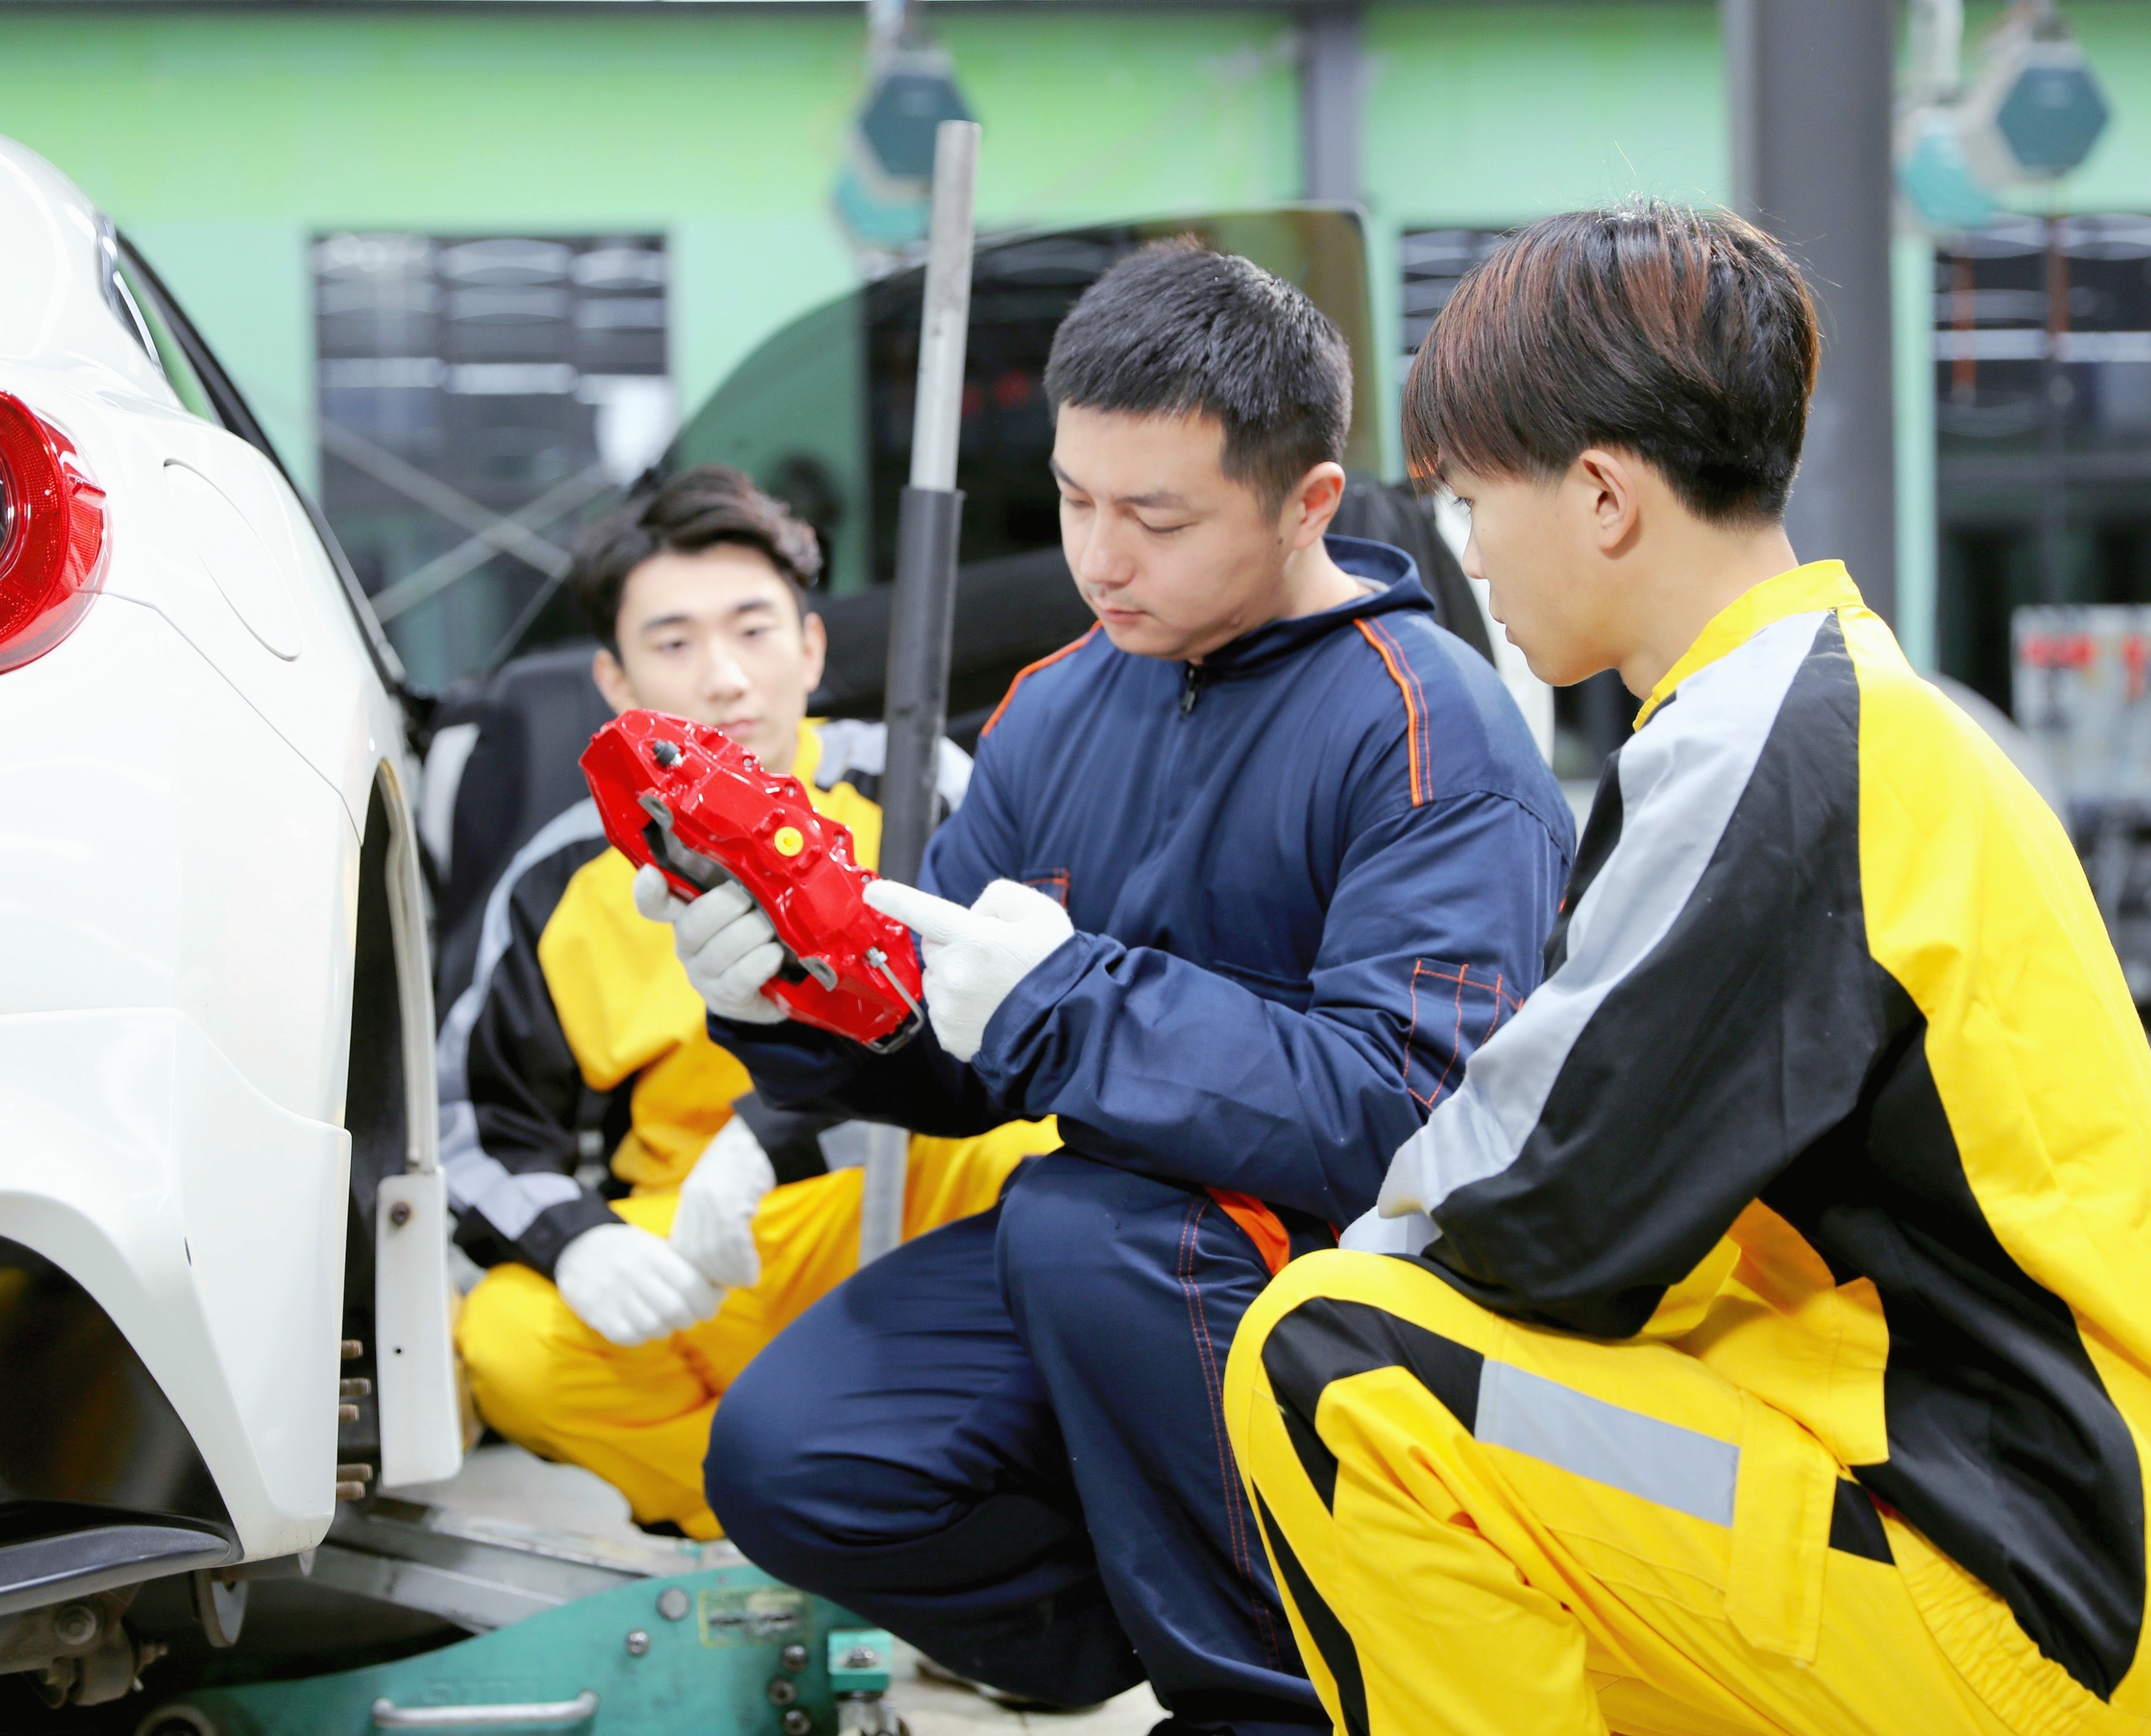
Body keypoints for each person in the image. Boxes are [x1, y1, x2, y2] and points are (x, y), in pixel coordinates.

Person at [1224, 203, 2151, 1736]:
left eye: (1470, 500)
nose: (1464, 554)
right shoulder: (1843, 711)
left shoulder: (1770, 746)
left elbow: (1533, 1211)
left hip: (2015, 1601)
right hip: (2087, 1563)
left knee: (1332, 1359)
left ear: (1598, 496)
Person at [640, 242, 1574, 1731]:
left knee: (1091, 1225)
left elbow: (1410, 1117)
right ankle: (1171, 1621)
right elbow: (944, 1045)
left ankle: (1294, 1695)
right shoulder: (1060, 703)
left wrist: (1066, 1004)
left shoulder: (1425, 731)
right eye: (1075, 502)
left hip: (1355, 1285)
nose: (1100, 559)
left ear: (1304, 503)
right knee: (792, 1459)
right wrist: (789, 1004)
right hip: (1111, 1263)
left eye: (1154, 517)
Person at [439, 465, 1057, 1540]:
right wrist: (579, 1242)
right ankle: (782, 1527)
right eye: (674, 645)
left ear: (812, 648)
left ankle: (983, 1524)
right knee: (506, 1338)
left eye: (754, 631)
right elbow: (471, 1131)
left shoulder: (921, 792)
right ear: (617, 685)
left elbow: (1016, 1037)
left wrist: (776, 1139)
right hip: (694, 1254)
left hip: (901, 1209)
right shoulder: (560, 882)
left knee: (1036, 1168)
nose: (725, 680)